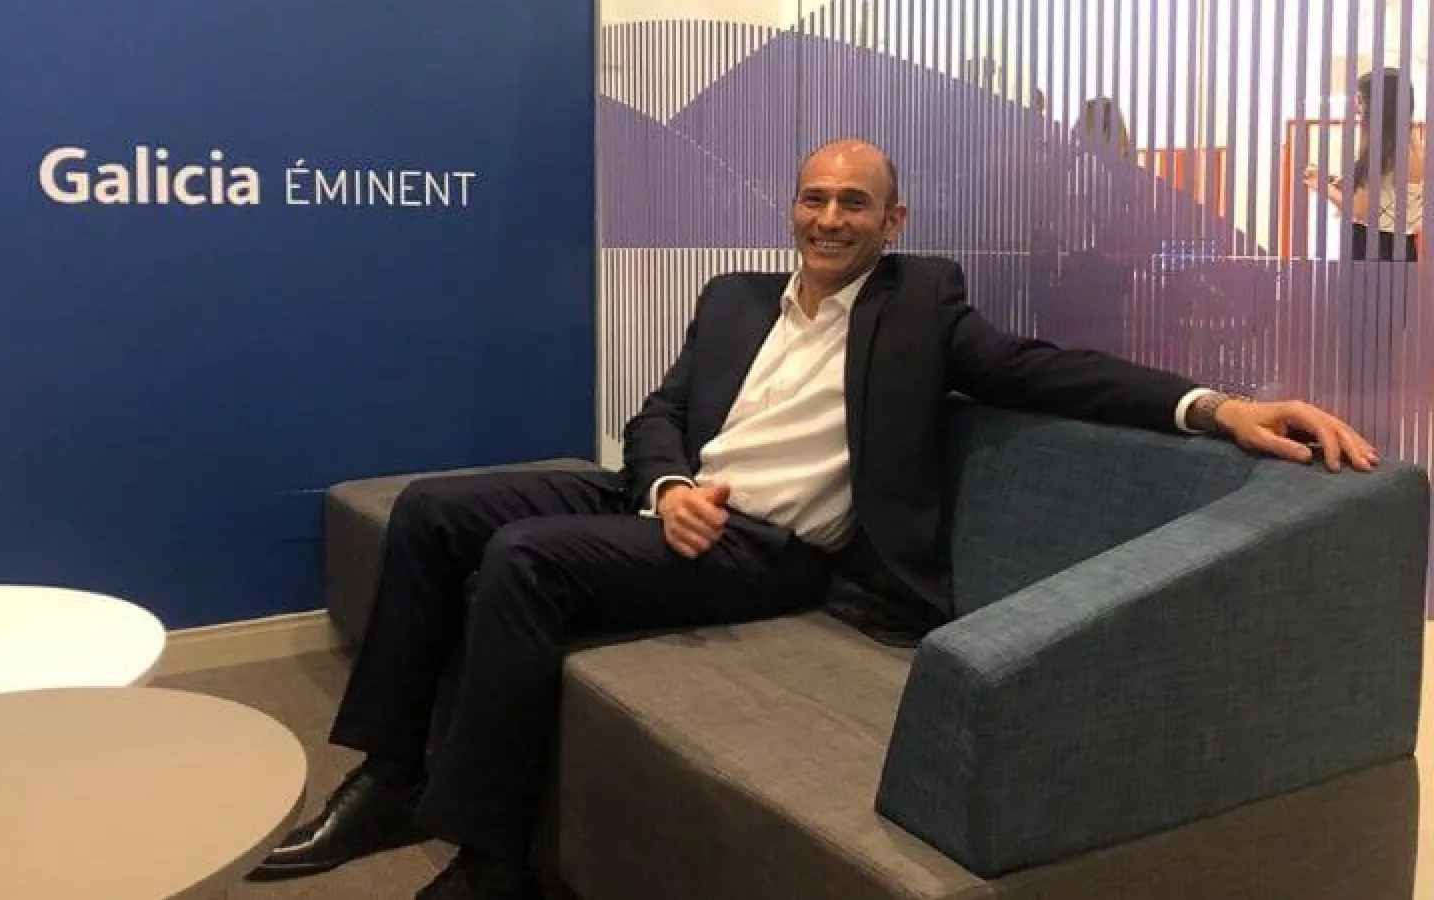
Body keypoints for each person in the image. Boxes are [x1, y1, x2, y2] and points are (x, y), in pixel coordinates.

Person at [247, 139, 1377, 900]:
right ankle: (390, 777)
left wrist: (1219, 405)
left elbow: (1052, 371)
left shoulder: (923, 308)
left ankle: (492, 860)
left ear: (893, 219)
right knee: (436, 510)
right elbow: (659, 414)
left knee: (524, 559)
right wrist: (664, 488)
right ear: (793, 207)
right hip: (676, 499)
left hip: (769, 550)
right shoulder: (736, 298)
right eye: (813, 198)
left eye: (853, 203)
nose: (829, 218)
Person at [1303, 68, 1426, 261]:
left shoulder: (1383, 149)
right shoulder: (1414, 143)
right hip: (1404, 248)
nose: (1355, 107)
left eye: (1360, 100)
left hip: (1372, 248)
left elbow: (1359, 209)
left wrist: (1318, 183)